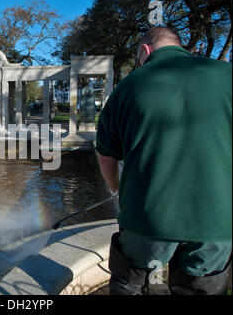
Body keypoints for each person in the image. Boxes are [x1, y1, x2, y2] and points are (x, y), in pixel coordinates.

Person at [96, 26, 232, 295]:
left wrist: (116, 189)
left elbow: (106, 156)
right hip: (217, 221)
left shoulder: (127, 87)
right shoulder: (227, 75)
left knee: (128, 285)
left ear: (145, 51)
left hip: (146, 217)